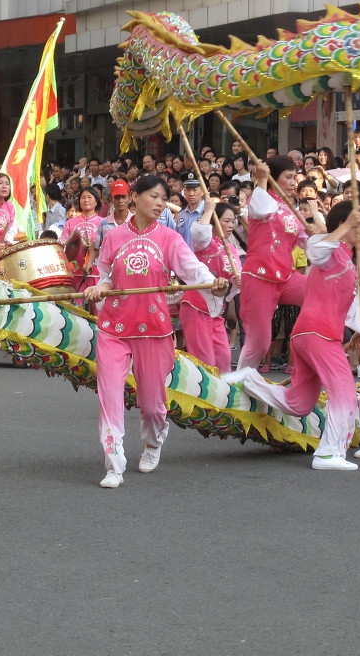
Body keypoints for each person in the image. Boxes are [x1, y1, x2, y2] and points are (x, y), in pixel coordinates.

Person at [82, 174, 228, 489]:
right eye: (154, 196)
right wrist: (100, 288)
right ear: (134, 197)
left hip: (153, 328)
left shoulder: (169, 238)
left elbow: (193, 269)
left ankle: (153, 441)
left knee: (151, 404)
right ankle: (113, 464)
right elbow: (106, 274)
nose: (161, 202)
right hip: (114, 327)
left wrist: (212, 280)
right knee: (109, 395)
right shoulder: (113, 236)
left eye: (164, 197)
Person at [230, 200, 360, 471]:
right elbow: (316, 248)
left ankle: (249, 379)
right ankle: (329, 453)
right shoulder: (331, 250)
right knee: (343, 391)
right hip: (319, 335)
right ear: (346, 222)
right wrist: (345, 227)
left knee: (299, 403)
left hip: (312, 334)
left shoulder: (347, 260)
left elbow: (351, 309)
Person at [235, 158, 311, 371]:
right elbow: (262, 212)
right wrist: (260, 180)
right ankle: (239, 385)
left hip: (286, 276)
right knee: (258, 343)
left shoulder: (290, 208)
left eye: (295, 177)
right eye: (288, 177)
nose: (294, 182)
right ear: (273, 178)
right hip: (260, 278)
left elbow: (308, 242)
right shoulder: (259, 199)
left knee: (320, 290)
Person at [181, 198, 243, 373]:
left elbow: (237, 276)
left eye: (233, 221)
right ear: (215, 221)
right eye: (226, 221)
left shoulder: (231, 249)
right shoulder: (205, 243)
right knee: (205, 361)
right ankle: (201, 399)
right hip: (196, 305)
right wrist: (208, 210)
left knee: (223, 358)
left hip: (216, 309)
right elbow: (199, 232)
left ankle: (223, 398)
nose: (231, 225)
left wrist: (239, 282)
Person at [62, 187, 104, 291]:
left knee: (95, 304)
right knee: (76, 305)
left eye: (90, 197)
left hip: (97, 274)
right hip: (75, 273)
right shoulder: (70, 223)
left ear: (96, 202)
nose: (86, 200)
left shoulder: (103, 223)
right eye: (83, 197)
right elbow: (63, 244)